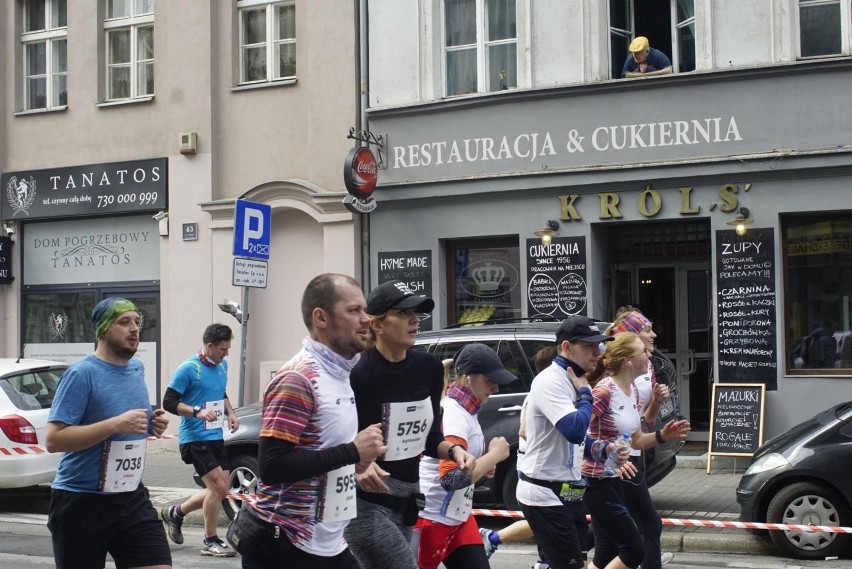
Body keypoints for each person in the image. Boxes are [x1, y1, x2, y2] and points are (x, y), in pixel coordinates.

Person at [231, 273, 387, 569]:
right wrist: (351, 452)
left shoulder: (339, 373)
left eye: (364, 309)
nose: (366, 319)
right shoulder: (299, 378)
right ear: (321, 317)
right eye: (354, 310)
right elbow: (272, 467)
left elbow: (319, 453)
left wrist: (357, 465)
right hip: (288, 545)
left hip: (330, 544)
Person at [346, 280, 477, 569]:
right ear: (377, 325)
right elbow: (336, 437)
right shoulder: (359, 374)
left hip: (407, 499)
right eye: (403, 313)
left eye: (417, 313)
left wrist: (455, 451)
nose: (415, 320)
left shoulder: (427, 368)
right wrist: (358, 464)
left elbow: (430, 437)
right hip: (363, 503)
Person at [45, 297, 172, 569]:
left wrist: (151, 424)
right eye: (124, 322)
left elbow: (125, 420)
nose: (134, 329)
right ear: (103, 329)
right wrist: (115, 425)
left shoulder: (137, 368)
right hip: (80, 502)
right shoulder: (82, 373)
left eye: (137, 322)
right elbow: (54, 440)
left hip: (131, 496)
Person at [582, 333, 690, 569]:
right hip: (596, 480)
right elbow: (577, 433)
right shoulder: (604, 391)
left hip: (616, 478)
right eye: (643, 351)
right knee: (633, 548)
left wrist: (663, 435)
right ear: (626, 361)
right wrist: (609, 455)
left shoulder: (631, 390)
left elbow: (637, 440)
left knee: (607, 551)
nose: (649, 355)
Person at [516, 315, 614, 569]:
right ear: (567, 347)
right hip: (543, 492)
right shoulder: (551, 381)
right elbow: (573, 429)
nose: (597, 353)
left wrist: (602, 449)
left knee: (568, 561)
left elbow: (576, 440)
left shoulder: (577, 380)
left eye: (599, 345)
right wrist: (584, 393)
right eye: (589, 346)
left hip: (568, 491)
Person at [412, 343, 514, 569]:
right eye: (490, 380)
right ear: (467, 378)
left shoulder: (467, 410)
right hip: (432, 519)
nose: (496, 388)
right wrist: (494, 456)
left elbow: (466, 475)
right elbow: (452, 479)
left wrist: (484, 470)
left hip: (458, 518)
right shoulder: (454, 413)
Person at [160, 323, 239, 557]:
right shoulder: (189, 369)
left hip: (215, 435)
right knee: (218, 488)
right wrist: (197, 412)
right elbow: (169, 401)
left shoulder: (221, 364)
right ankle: (210, 540)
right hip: (194, 438)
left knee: (221, 490)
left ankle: (176, 513)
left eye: (228, 349)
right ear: (209, 346)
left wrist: (231, 413)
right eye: (223, 349)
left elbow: (220, 392)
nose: (227, 353)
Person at [605, 310, 674, 568]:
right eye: (647, 330)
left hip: (633, 456)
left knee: (612, 535)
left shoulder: (646, 368)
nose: (654, 335)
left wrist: (657, 401)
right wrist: (613, 458)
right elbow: (594, 426)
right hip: (614, 464)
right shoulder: (608, 375)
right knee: (646, 525)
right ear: (631, 337)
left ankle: (557, 554)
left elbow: (643, 420)